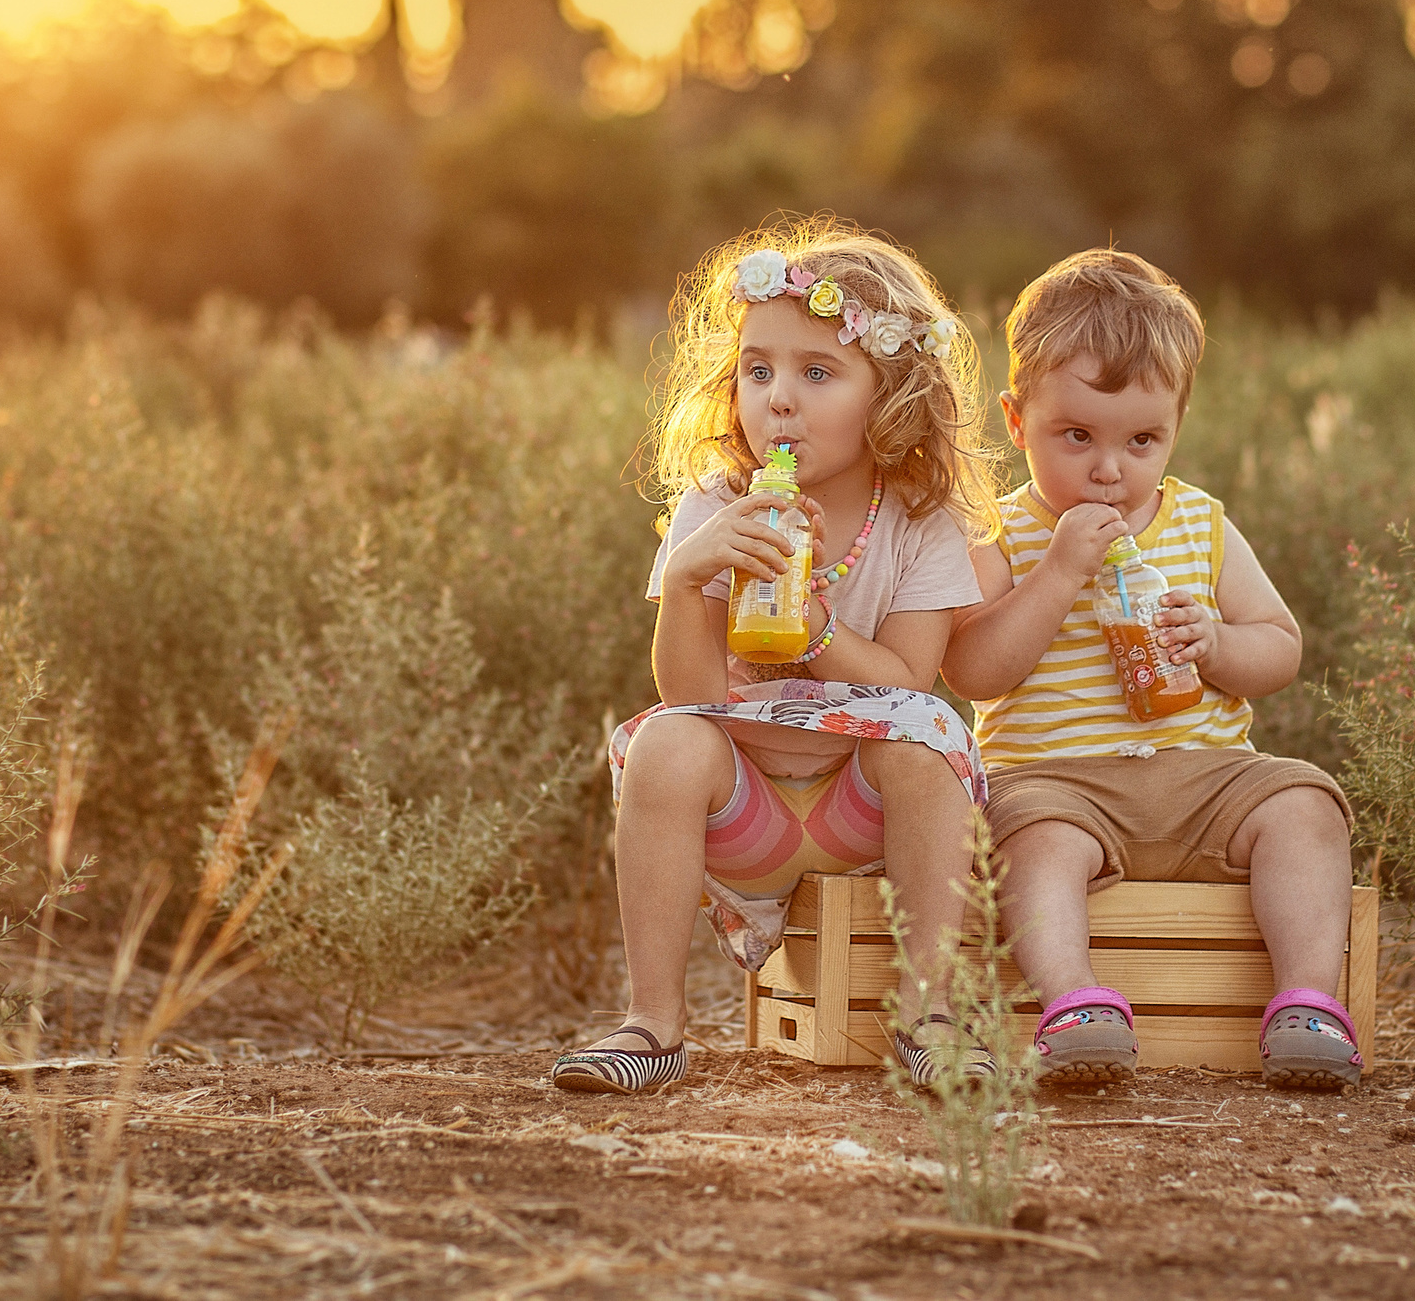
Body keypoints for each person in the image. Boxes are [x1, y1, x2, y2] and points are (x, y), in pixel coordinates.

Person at [551, 218, 999, 1095]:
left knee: (927, 740)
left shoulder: (916, 522)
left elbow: (911, 684)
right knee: (665, 742)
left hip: (862, 818)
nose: (777, 399)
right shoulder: (720, 506)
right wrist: (685, 582)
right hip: (746, 812)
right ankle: (654, 1024)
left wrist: (820, 637)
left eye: (816, 372)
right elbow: (689, 697)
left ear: (891, 394)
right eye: (758, 370)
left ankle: (930, 1016)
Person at [940, 249, 1360, 1091]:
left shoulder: (1199, 522)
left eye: (1142, 440)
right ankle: (1074, 1004)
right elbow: (971, 668)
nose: (1109, 468)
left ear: (1176, 426)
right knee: (1033, 845)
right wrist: (1056, 574)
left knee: (1308, 805)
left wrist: (1214, 641)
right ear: (1016, 422)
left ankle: (1307, 1000)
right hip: (1060, 781)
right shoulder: (1004, 531)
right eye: (1077, 437)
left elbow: (1280, 645)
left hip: (1206, 776)